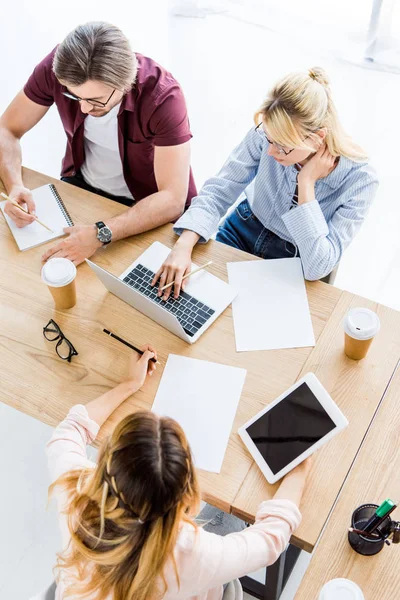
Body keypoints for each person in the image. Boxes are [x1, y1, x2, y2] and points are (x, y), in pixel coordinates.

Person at [47, 345, 311, 600]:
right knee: (232, 511)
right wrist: (299, 467)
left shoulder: (76, 493)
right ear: (188, 498)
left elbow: (69, 431)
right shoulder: (194, 555)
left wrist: (129, 384)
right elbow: (270, 539)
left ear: (107, 463)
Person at [152, 67, 378, 299]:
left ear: (318, 137)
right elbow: (219, 191)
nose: (270, 151)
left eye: (282, 145)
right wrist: (183, 246)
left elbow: (317, 267)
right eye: (268, 139)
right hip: (241, 229)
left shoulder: (361, 181)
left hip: (293, 260)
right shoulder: (268, 133)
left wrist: (306, 183)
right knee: (194, 300)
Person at [0, 22, 196, 265]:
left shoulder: (163, 96)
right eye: (74, 96)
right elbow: (6, 129)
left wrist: (100, 233)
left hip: (146, 205)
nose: (83, 108)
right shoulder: (60, 66)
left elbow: (172, 199)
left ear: (126, 83)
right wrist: (15, 186)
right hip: (82, 184)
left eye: (95, 100)